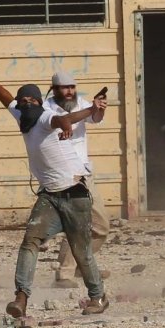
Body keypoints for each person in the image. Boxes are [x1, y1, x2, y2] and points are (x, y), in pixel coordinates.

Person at [0, 63, 110, 318]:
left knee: (81, 250)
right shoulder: (22, 116)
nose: (27, 103)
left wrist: (67, 124)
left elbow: (62, 118)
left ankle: (98, 296)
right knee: (30, 241)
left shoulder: (43, 116)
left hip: (75, 192)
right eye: (23, 100)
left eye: (32, 100)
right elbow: (7, 99)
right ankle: (21, 298)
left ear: (40, 102)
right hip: (49, 195)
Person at [40, 71, 113, 285]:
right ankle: (65, 273)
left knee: (100, 226)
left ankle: (82, 264)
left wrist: (98, 109)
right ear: (54, 90)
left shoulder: (81, 102)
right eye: (65, 87)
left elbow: (95, 119)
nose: (70, 91)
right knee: (76, 225)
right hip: (63, 176)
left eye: (72, 87)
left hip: (83, 174)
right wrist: (90, 109)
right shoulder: (46, 110)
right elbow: (66, 120)